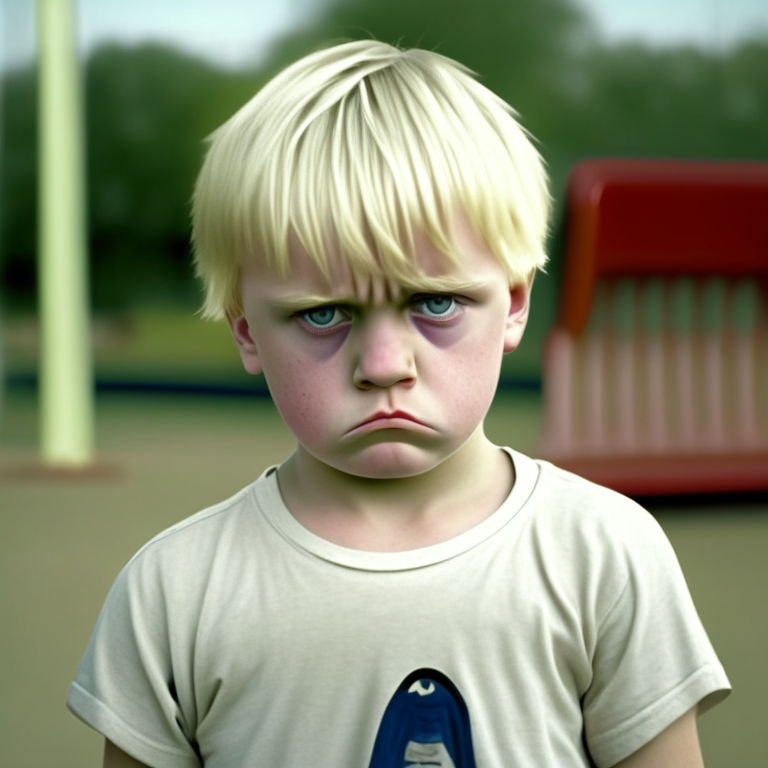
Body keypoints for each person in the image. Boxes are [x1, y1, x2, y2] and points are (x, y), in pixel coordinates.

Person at [67, 40, 730, 768]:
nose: (384, 366)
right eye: (324, 313)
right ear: (247, 330)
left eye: (435, 301)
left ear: (513, 304)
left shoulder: (606, 553)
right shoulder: (173, 591)